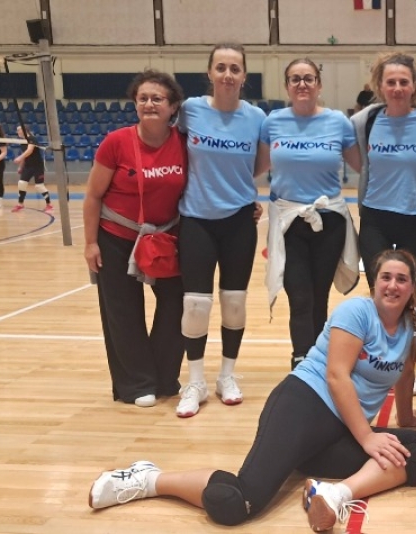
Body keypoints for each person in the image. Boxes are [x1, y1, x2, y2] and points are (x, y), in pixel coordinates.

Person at [89, 250, 416, 532]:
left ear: (413, 286)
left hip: (340, 432)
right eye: (385, 277)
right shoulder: (356, 311)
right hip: (305, 405)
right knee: (239, 502)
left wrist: (405, 417)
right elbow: (336, 377)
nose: (392, 285)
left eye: (401, 279)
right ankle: (149, 478)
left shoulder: (414, 323)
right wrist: (368, 437)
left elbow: (407, 369)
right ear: (374, 283)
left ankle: (334, 495)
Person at [82, 69, 187, 408]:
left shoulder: (184, 142)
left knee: (178, 304)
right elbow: (93, 196)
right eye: (143, 98)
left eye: (157, 98)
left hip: (166, 238)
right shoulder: (116, 142)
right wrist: (90, 243)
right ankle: (135, 383)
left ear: (173, 106)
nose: (149, 104)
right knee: (123, 312)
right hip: (116, 238)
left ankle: (164, 377)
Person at [174, 43, 267, 417]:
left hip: (239, 221)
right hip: (196, 220)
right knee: (195, 304)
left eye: (235, 69)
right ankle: (195, 381)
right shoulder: (190, 110)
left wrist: (240, 190)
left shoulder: (257, 117)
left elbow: (259, 165)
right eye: (221, 67)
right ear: (210, 73)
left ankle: (227, 375)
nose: (228, 75)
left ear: (244, 76)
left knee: (234, 302)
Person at [260, 58, 362, 371]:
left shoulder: (338, 122)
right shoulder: (272, 122)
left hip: (329, 220)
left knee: (319, 296)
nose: (302, 84)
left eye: (308, 78)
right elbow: (253, 168)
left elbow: (363, 166)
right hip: (289, 221)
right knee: (299, 296)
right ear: (287, 86)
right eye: (295, 79)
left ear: (319, 85)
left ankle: (318, 359)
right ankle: (301, 361)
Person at [351, 52, 416, 305]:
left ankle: (411, 334)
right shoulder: (364, 122)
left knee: (411, 297)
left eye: (404, 82)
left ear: (414, 85)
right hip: (374, 218)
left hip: (413, 218)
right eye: (391, 82)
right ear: (380, 86)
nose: (397, 88)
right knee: (380, 295)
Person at [11, 124, 53, 213]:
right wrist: (21, 166)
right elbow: (25, 154)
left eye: (18, 130)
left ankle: (49, 205)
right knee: (22, 183)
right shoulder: (22, 141)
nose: (17, 132)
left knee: (39, 186)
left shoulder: (32, 139)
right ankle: (20, 204)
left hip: (37, 166)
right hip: (28, 166)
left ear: (24, 130)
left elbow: (29, 151)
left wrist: (19, 158)